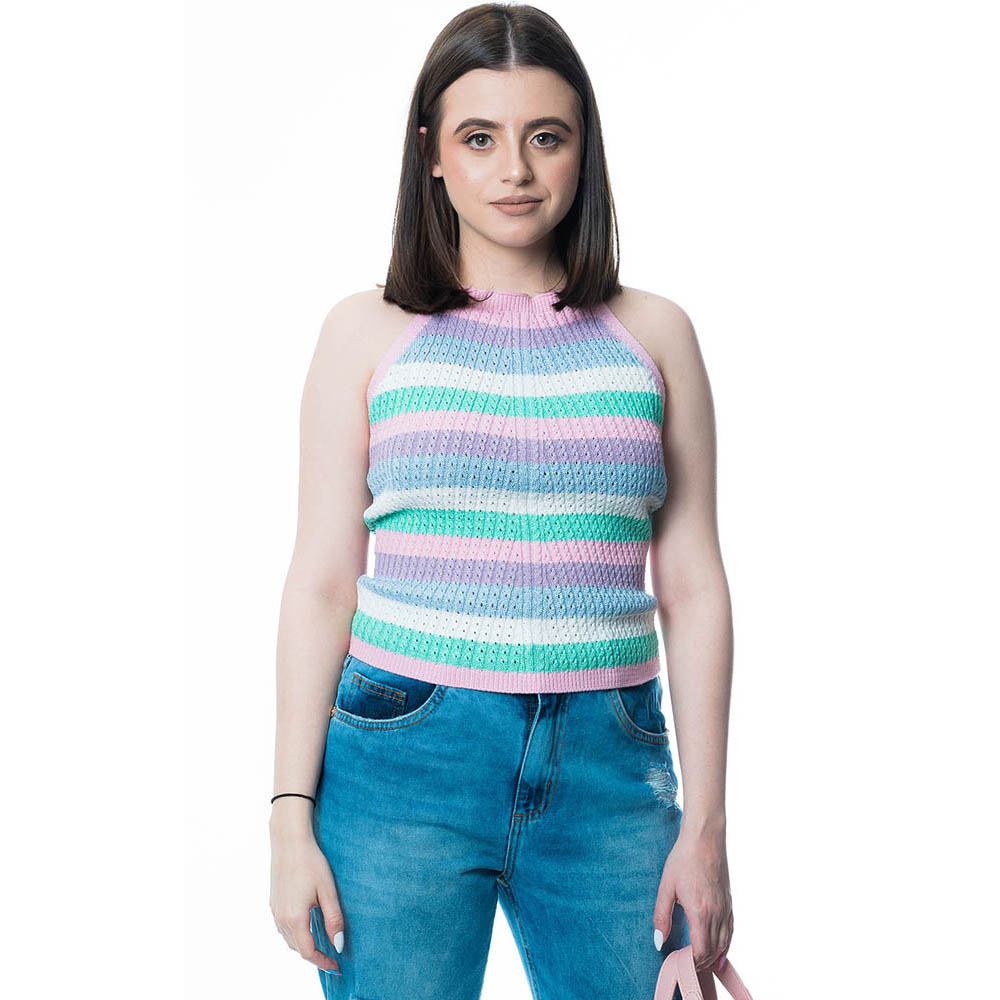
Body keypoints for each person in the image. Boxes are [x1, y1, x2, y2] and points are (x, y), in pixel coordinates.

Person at [269, 6, 735, 999]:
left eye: (546, 137)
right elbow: (322, 582)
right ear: (431, 155)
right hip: (404, 757)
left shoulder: (655, 335)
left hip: (611, 766)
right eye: (479, 138)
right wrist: (288, 816)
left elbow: (693, 585)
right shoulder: (365, 332)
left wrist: (705, 826)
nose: (514, 170)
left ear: (583, 149)